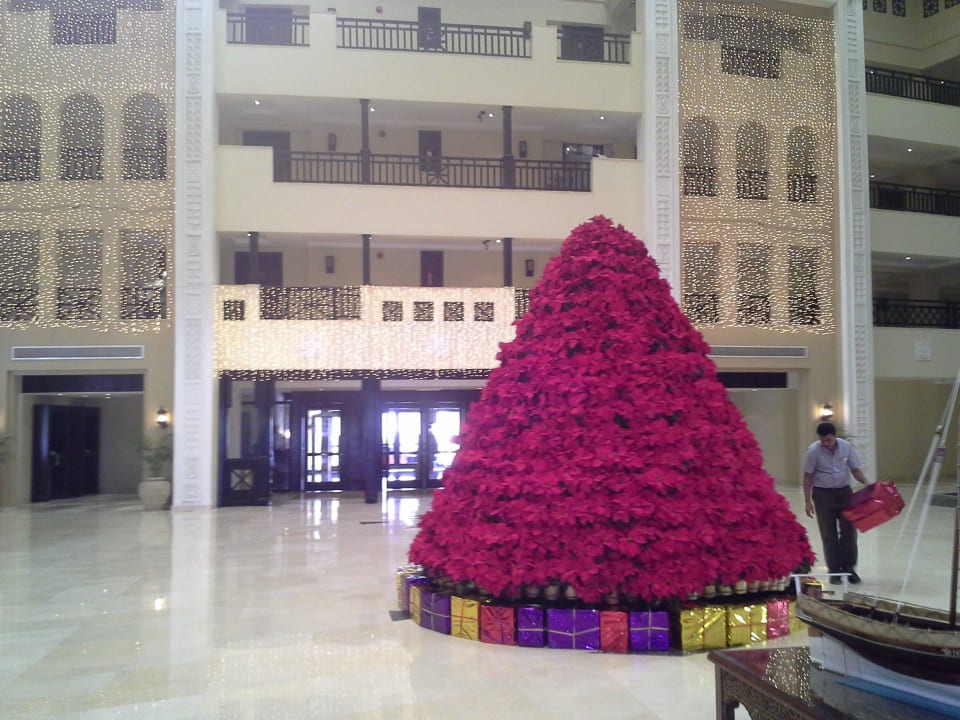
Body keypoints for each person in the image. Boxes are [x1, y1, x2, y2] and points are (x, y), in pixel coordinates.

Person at [803, 421, 870, 584]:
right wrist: (807, 501)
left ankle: (849, 569)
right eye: (823, 441)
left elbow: (855, 469)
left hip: (844, 493)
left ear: (835, 436)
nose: (826, 444)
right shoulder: (813, 451)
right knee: (829, 534)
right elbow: (808, 476)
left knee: (849, 532)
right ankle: (834, 571)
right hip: (823, 495)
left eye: (829, 440)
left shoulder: (846, 447)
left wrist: (867, 484)